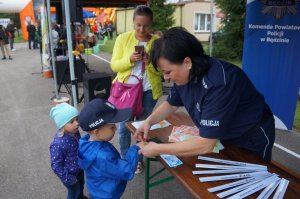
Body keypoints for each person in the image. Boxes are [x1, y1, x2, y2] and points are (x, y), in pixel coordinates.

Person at [134, 27, 275, 162]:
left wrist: (158, 149)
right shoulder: (185, 75)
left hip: (250, 137)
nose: (166, 78)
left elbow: (206, 143)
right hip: (222, 135)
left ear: (187, 62)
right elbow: (171, 104)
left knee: (250, 181)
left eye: (168, 71)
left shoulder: (219, 83)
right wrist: (149, 121)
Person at [110, 5, 163, 173]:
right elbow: (114, 65)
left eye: (146, 25)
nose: (142, 29)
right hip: (126, 90)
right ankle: (126, 158)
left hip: (148, 91)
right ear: (133, 22)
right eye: (138, 25)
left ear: (151, 24)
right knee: (125, 126)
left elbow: (161, 70)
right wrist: (130, 59)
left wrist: (149, 63)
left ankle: (138, 159)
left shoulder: (157, 42)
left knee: (142, 127)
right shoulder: (123, 38)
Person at [77, 98, 144, 199]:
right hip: (107, 194)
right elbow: (127, 170)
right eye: (112, 127)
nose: (116, 129)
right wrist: (136, 148)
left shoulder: (86, 142)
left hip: (98, 189)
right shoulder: (103, 156)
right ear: (96, 132)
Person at [49, 103, 88, 199]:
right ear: (62, 124)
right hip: (69, 175)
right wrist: (68, 178)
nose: (77, 123)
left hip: (79, 169)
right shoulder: (58, 144)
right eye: (71, 121)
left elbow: (79, 143)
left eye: (76, 119)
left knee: (80, 186)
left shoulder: (74, 131)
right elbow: (56, 165)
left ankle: (80, 196)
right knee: (73, 192)